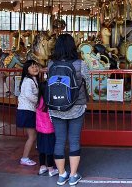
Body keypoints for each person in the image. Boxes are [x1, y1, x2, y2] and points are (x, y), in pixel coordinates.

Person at [48, 34, 89, 186]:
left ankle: (61, 175)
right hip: (76, 107)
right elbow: (87, 84)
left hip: (56, 107)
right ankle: (73, 175)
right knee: (74, 140)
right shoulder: (80, 64)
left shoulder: (51, 64)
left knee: (59, 140)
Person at [16, 60, 40, 166]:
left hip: (29, 110)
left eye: (36, 66)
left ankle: (37, 147)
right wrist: (39, 101)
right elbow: (29, 95)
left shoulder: (33, 79)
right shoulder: (28, 81)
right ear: (27, 70)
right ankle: (24, 158)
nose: (35, 68)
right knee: (32, 136)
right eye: (32, 67)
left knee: (34, 134)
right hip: (26, 110)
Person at [36, 82, 59, 177]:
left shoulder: (39, 101)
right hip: (49, 131)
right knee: (50, 149)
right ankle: (50, 168)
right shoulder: (49, 103)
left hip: (39, 130)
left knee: (41, 149)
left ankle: (42, 167)